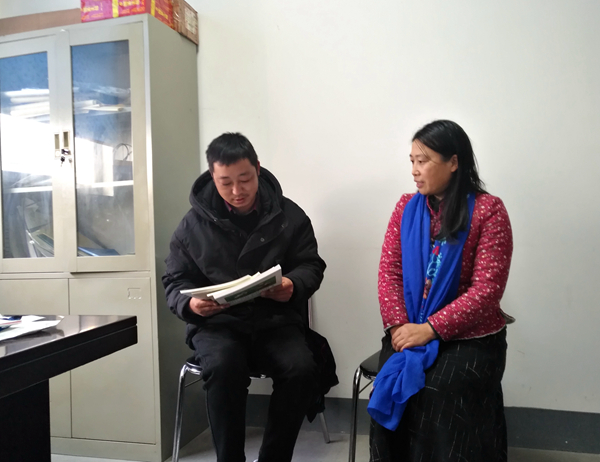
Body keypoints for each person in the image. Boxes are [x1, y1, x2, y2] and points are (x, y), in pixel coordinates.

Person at [163, 132, 327, 462]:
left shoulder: (289, 215)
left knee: (301, 368)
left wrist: (292, 285)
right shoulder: (192, 225)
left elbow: (311, 264)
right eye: (226, 183)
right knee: (223, 367)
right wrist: (190, 304)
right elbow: (175, 281)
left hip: (274, 320)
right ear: (213, 176)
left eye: (245, 179)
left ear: (258, 169)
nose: (237, 191)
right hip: (218, 324)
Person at [368, 120, 514, 462]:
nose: (415, 171)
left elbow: (486, 291)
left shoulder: (489, 211)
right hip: (409, 328)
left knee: (436, 390)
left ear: (453, 162)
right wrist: (398, 326)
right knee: (393, 385)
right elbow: (390, 272)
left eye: (423, 161)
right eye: (412, 161)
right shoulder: (406, 208)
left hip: (472, 336)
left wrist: (431, 329)